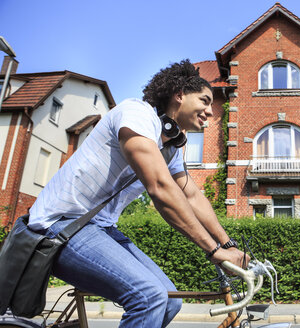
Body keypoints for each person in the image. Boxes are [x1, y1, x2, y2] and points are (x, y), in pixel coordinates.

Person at [27, 59, 249, 327]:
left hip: (100, 228)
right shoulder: (136, 114)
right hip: (61, 225)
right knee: (149, 298)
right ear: (179, 95)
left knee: (170, 299)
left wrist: (227, 244)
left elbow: (192, 196)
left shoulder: (170, 149)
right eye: (204, 100)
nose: (210, 111)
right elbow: (160, 187)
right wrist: (214, 251)